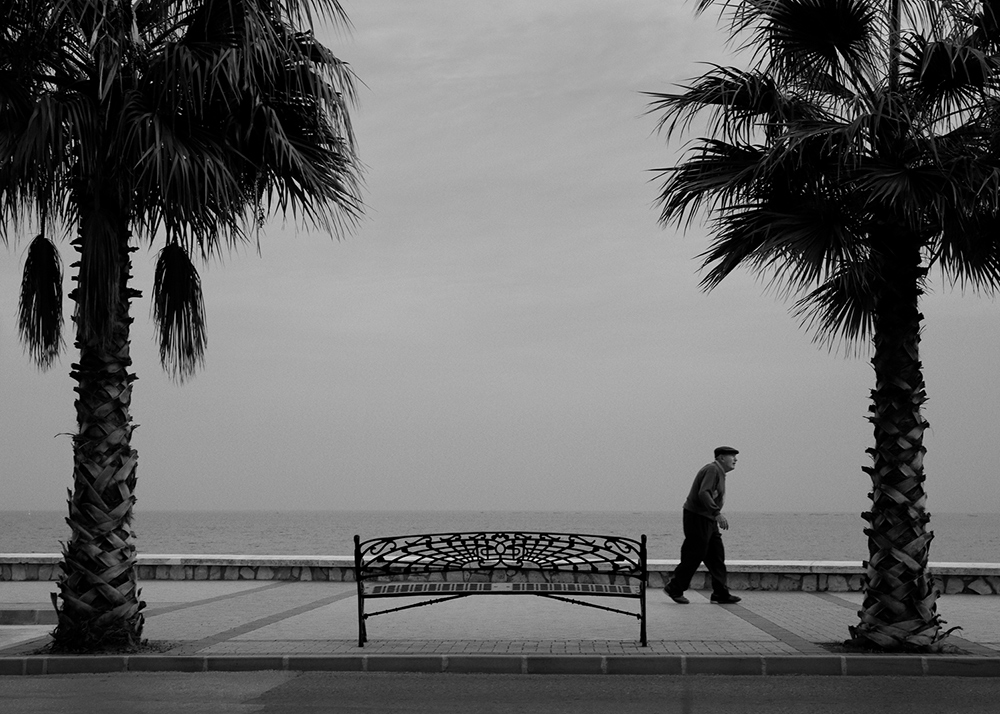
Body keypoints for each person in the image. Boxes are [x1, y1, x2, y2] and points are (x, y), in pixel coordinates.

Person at [663, 446, 742, 605]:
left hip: (708, 519)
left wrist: (714, 515)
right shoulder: (712, 470)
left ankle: (720, 593)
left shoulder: (719, 472)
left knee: (716, 555)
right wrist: (716, 513)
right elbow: (703, 492)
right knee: (694, 553)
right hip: (697, 517)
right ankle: (675, 588)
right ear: (720, 458)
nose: (735, 459)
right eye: (731, 456)